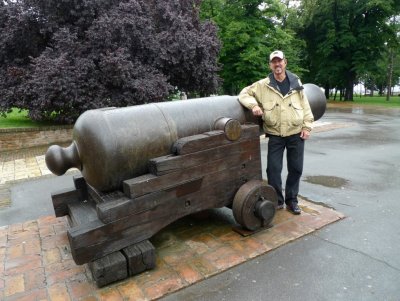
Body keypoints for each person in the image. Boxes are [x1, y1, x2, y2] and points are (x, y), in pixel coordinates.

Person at [238, 50, 314, 215]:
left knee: (296, 169)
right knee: (273, 169)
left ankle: (292, 201)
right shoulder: (263, 85)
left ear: (285, 62)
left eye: (280, 61)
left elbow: (306, 106)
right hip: (275, 134)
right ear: (270, 65)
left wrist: (307, 126)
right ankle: (277, 200)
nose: (277, 64)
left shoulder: (296, 83)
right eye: (274, 62)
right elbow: (243, 94)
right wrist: (254, 105)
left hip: (295, 133)